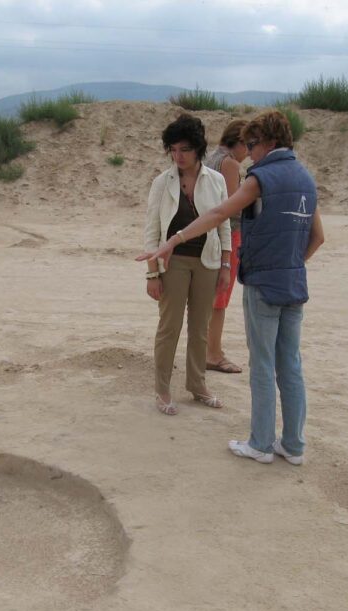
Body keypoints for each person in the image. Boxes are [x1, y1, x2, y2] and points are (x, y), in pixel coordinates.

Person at [138, 110, 325, 465]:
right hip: (293, 282)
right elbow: (318, 237)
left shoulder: (260, 177)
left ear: (269, 142)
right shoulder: (305, 178)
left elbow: (218, 216)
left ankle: (260, 444)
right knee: (290, 365)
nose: (248, 153)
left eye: (252, 145)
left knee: (262, 364)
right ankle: (293, 446)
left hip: (261, 282)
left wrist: (176, 240)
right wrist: (291, 265)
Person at [142, 113, 232, 415]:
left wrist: (226, 266)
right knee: (169, 327)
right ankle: (162, 388)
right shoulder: (162, 182)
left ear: (198, 148)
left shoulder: (216, 180)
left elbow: (223, 224)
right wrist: (152, 274)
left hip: (208, 261)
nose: (178, 156)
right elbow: (152, 230)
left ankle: (197, 384)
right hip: (173, 262)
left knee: (200, 327)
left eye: (185, 149)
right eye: (173, 149)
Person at [204, 120, 249, 374]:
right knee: (220, 297)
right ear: (239, 142)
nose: (249, 152)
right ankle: (213, 354)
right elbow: (234, 206)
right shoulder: (229, 163)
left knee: (209, 296)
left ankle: (205, 350)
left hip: (208, 234)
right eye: (248, 144)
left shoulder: (212, 158)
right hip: (228, 235)